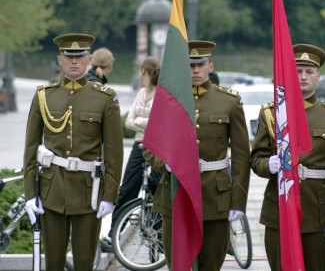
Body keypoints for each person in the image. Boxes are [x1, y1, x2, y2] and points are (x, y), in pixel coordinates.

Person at [144, 40, 250, 270]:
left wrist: (238, 202)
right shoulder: (168, 100)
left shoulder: (229, 101)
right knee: (179, 264)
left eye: (200, 65)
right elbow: (149, 145)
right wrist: (166, 164)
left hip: (215, 196)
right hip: (176, 192)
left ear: (210, 66)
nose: (195, 70)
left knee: (211, 263)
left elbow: (242, 156)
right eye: (190, 65)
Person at [22, 33, 123, 269]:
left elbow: (114, 152)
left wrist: (110, 195)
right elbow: (30, 149)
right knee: (54, 262)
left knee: (85, 262)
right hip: (51, 189)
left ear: (89, 59)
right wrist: (29, 193)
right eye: (69, 57)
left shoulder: (105, 99)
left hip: (88, 191)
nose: (74, 62)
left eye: (79, 57)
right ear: (60, 60)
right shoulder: (44, 97)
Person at [250, 43, 325, 270]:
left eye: (309, 71)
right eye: (298, 71)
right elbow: (256, 159)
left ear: (318, 76)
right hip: (278, 207)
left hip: (315, 209)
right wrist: (269, 165)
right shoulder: (271, 113)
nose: (303, 76)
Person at [101, 56, 162, 249]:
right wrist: (147, 122)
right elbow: (127, 121)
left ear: (144, 71)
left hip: (157, 146)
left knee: (156, 189)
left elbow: (159, 122)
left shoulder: (162, 94)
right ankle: (114, 234)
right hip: (138, 146)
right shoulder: (142, 93)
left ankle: (158, 234)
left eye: (139, 70)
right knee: (128, 187)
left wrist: (140, 122)